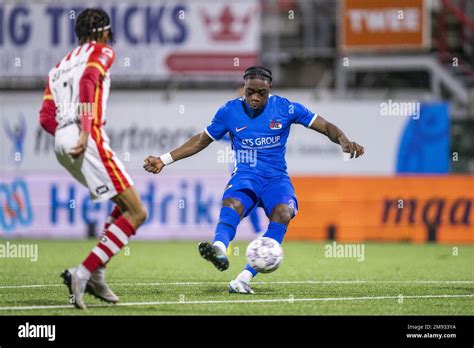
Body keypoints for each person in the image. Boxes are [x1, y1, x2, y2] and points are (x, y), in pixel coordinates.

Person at [143, 66, 364, 294]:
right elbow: (200, 140)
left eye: (261, 93)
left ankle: (243, 278)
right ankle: (219, 249)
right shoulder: (229, 112)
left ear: (270, 89)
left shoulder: (286, 108)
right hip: (246, 175)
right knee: (233, 205)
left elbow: (326, 126)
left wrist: (343, 140)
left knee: (283, 214)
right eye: (249, 92)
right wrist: (164, 159)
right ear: (244, 89)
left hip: (276, 179)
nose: (254, 98)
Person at [39, 8, 147, 309]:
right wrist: (85, 131)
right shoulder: (103, 51)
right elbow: (88, 81)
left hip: (62, 139)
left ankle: (97, 274)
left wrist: (66, 134)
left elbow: (45, 117)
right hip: (85, 137)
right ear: (104, 32)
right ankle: (84, 272)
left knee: (123, 203)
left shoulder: (58, 67)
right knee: (138, 213)